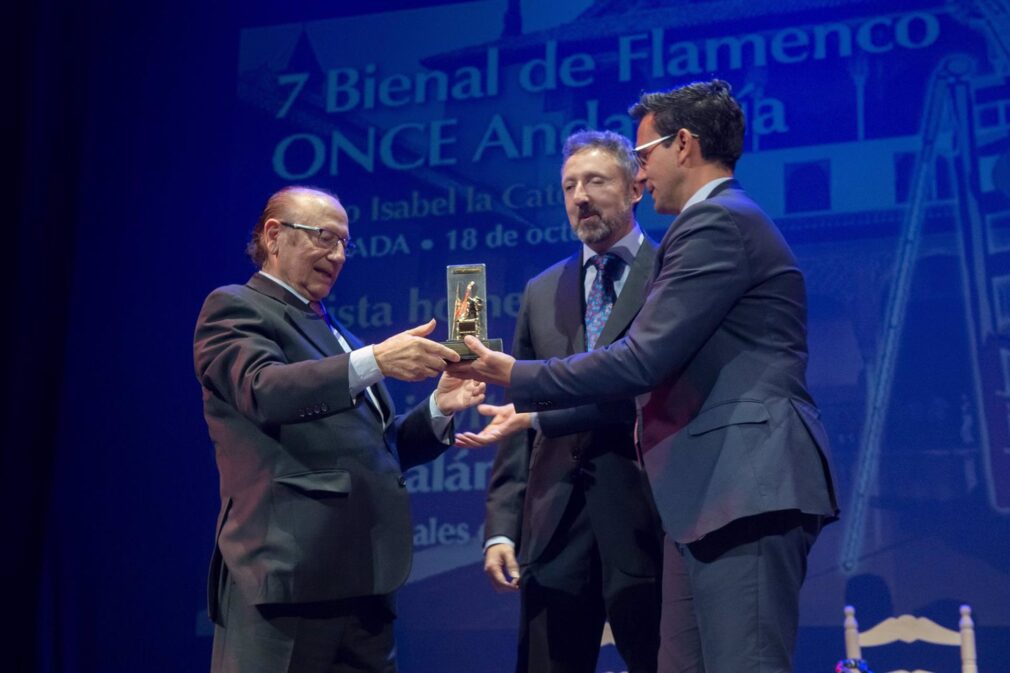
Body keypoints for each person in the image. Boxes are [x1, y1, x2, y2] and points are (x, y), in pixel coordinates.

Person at [453, 80, 839, 673]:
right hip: (704, 498)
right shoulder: (708, 225)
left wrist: (515, 374)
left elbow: (640, 361)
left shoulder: (714, 223)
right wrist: (532, 415)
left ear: (682, 145)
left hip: (743, 485)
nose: (642, 170)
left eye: (644, 154)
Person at [193, 185, 485, 673]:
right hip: (289, 581)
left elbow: (376, 451)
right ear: (273, 236)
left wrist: (438, 407)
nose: (337, 255)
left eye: (345, 244)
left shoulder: (337, 332)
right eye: (324, 238)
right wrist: (376, 359)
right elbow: (263, 390)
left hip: (364, 585)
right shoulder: (236, 307)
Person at [457, 130, 700, 673]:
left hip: (646, 513)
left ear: (636, 187)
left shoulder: (672, 275)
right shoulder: (543, 290)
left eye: (595, 181)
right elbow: (519, 413)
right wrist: (502, 525)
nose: (580, 197)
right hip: (555, 518)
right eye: (569, 186)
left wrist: (538, 412)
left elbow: (650, 391)